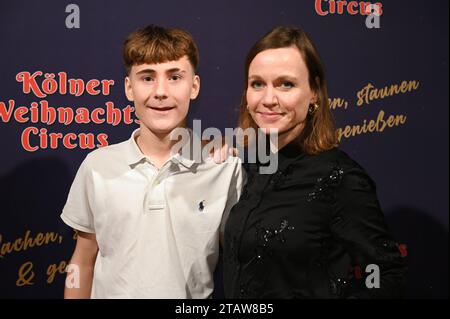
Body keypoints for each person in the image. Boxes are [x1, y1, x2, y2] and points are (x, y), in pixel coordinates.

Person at [223, 26, 407, 298]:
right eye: (257, 84)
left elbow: (388, 274)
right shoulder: (255, 169)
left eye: (286, 84)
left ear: (315, 94)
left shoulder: (339, 177)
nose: (268, 99)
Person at [61, 25, 244, 298]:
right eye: (147, 78)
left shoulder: (224, 168)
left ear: (194, 87)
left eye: (174, 77)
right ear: (129, 88)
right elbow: (82, 261)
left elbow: (239, 261)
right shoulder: (97, 166)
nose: (160, 91)